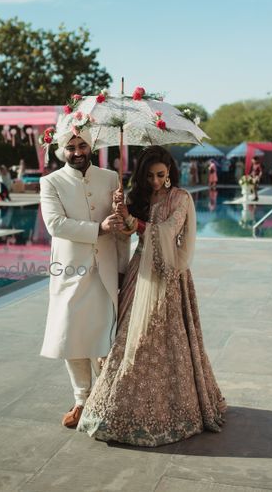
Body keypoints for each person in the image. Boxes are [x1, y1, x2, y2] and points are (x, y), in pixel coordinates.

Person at [77, 145, 226, 446]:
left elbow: (169, 230)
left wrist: (138, 223)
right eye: (150, 176)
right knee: (128, 337)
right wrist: (122, 211)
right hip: (140, 272)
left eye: (160, 175)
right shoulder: (143, 196)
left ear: (170, 171)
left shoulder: (180, 198)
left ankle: (168, 409)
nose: (156, 182)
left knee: (158, 338)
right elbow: (128, 232)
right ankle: (115, 404)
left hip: (169, 276)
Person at [39, 128, 130, 429]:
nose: (77, 152)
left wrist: (122, 261)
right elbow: (55, 225)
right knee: (72, 335)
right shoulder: (50, 182)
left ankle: (101, 399)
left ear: (91, 146)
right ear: (61, 151)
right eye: (71, 147)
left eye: (82, 145)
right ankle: (81, 399)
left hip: (104, 270)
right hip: (70, 271)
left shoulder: (111, 178)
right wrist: (99, 228)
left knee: (102, 336)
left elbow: (120, 231)